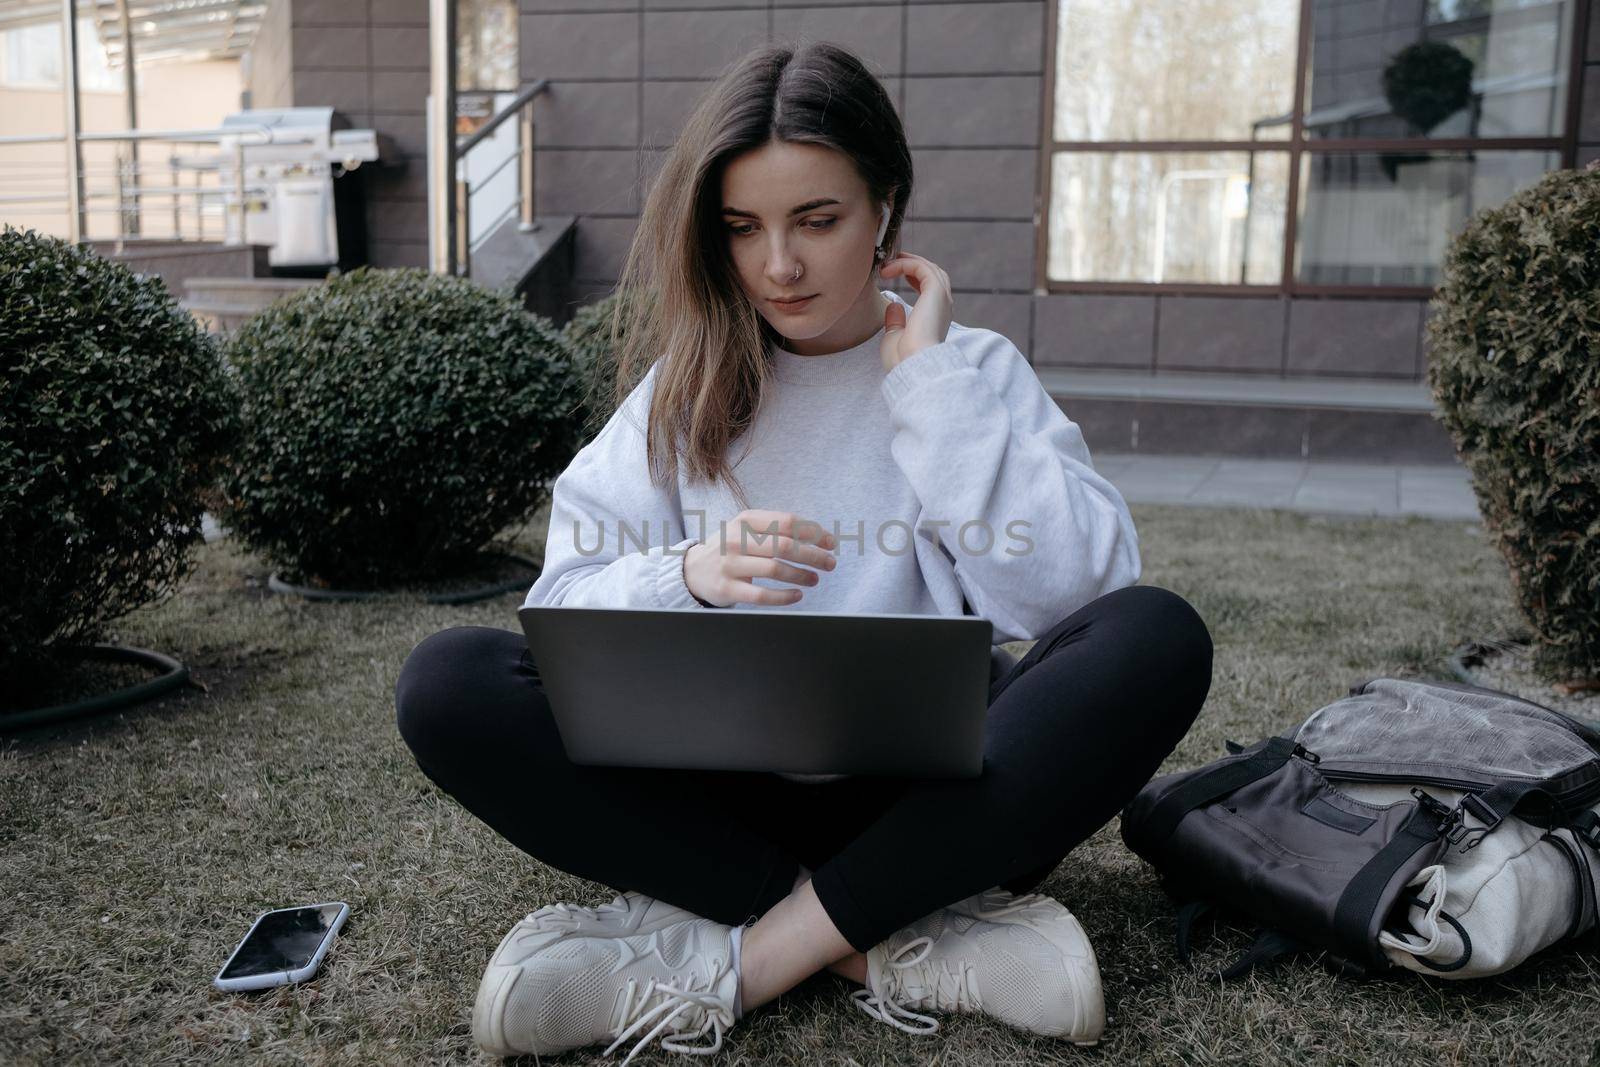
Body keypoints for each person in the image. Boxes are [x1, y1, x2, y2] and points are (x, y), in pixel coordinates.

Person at [394, 39, 1212, 1065]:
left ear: (885, 209)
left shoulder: (969, 372)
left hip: (929, 796)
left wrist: (926, 389)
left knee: (1157, 635)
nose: (778, 265)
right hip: (716, 798)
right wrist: (684, 575)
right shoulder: (679, 391)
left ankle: (736, 961)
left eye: (816, 221)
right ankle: (878, 942)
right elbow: (561, 608)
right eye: (742, 228)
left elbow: (1083, 592)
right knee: (445, 681)